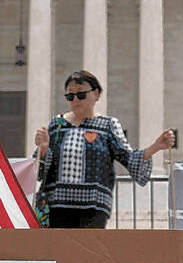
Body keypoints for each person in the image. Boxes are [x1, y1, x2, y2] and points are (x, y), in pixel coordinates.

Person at [33, 70, 175, 228]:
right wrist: (43, 148)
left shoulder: (108, 125)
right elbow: (39, 170)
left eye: (81, 94)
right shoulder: (56, 125)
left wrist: (156, 146)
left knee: (89, 251)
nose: (75, 100)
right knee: (58, 252)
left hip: (93, 207)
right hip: (56, 206)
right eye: (70, 96)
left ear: (96, 94)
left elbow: (128, 157)